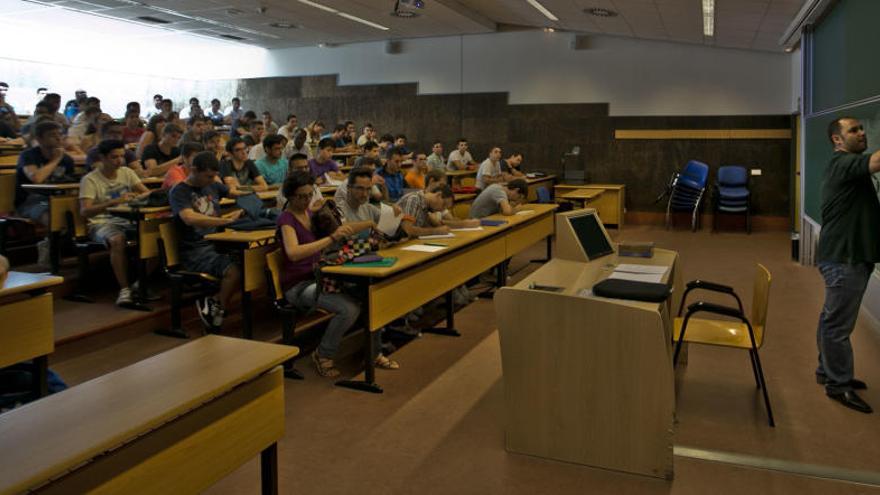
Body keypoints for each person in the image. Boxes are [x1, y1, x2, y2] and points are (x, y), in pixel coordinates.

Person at [277, 171, 398, 377]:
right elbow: (294, 253)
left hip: (321, 276)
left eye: (309, 194)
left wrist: (365, 225)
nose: (306, 200)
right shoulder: (286, 219)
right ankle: (323, 355)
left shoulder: (308, 213)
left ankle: (374, 352)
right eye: (301, 196)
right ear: (290, 196)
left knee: (372, 297)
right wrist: (331, 238)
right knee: (348, 309)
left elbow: (343, 229)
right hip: (299, 286)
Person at [814, 117, 880, 414]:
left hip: (847, 256)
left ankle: (827, 370)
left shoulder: (847, 167)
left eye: (862, 128)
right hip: (844, 259)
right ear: (837, 141)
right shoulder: (843, 164)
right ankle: (838, 384)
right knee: (837, 325)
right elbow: (876, 161)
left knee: (831, 319)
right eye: (854, 130)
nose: (861, 133)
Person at [169, 151, 243, 331]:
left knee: (247, 260)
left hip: (217, 242)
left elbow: (235, 193)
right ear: (193, 170)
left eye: (214, 176)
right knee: (234, 269)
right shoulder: (180, 191)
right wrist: (224, 221)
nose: (212, 180)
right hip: (195, 250)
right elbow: (189, 217)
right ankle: (218, 305)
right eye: (208, 176)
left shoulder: (213, 185)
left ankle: (215, 302)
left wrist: (242, 207)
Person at [79, 139, 150, 306]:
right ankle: (124, 289)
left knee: (157, 235)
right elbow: (85, 211)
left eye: (122, 156)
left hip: (127, 219)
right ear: (102, 158)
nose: (119, 161)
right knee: (117, 240)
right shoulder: (90, 180)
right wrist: (114, 202)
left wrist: (140, 197)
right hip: (101, 223)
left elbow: (147, 193)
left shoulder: (126, 172)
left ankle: (139, 283)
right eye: (114, 157)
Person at [15, 121, 75, 266]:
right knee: (53, 217)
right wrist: (55, 160)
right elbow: (36, 178)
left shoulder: (67, 160)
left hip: (57, 198)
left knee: (76, 214)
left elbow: (69, 183)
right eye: (52, 135)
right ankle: (51, 254)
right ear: (40, 139)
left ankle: (53, 247)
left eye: (59, 134)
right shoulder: (28, 155)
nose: (57, 138)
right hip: (30, 200)